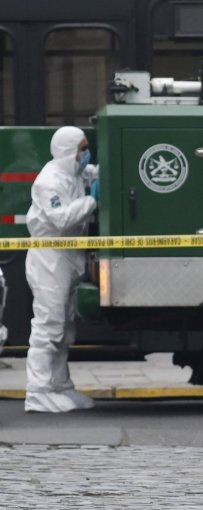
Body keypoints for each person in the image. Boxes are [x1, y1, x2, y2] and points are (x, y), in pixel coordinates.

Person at [24, 126, 98, 413]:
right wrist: (91, 200)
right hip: (49, 258)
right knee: (48, 325)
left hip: (68, 256)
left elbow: (93, 171)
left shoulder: (74, 173)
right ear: (68, 150)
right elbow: (61, 219)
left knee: (65, 327)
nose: (85, 154)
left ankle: (59, 385)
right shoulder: (49, 181)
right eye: (82, 148)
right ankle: (38, 391)